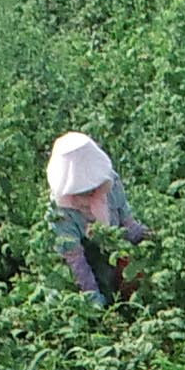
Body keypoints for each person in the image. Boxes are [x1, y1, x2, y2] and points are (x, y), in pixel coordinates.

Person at [45, 130, 151, 303]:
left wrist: (147, 237)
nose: (92, 194)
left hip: (116, 246)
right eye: (84, 192)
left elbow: (126, 221)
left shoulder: (110, 183)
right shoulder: (60, 212)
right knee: (104, 283)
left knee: (136, 274)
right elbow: (76, 261)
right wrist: (94, 300)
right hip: (89, 257)